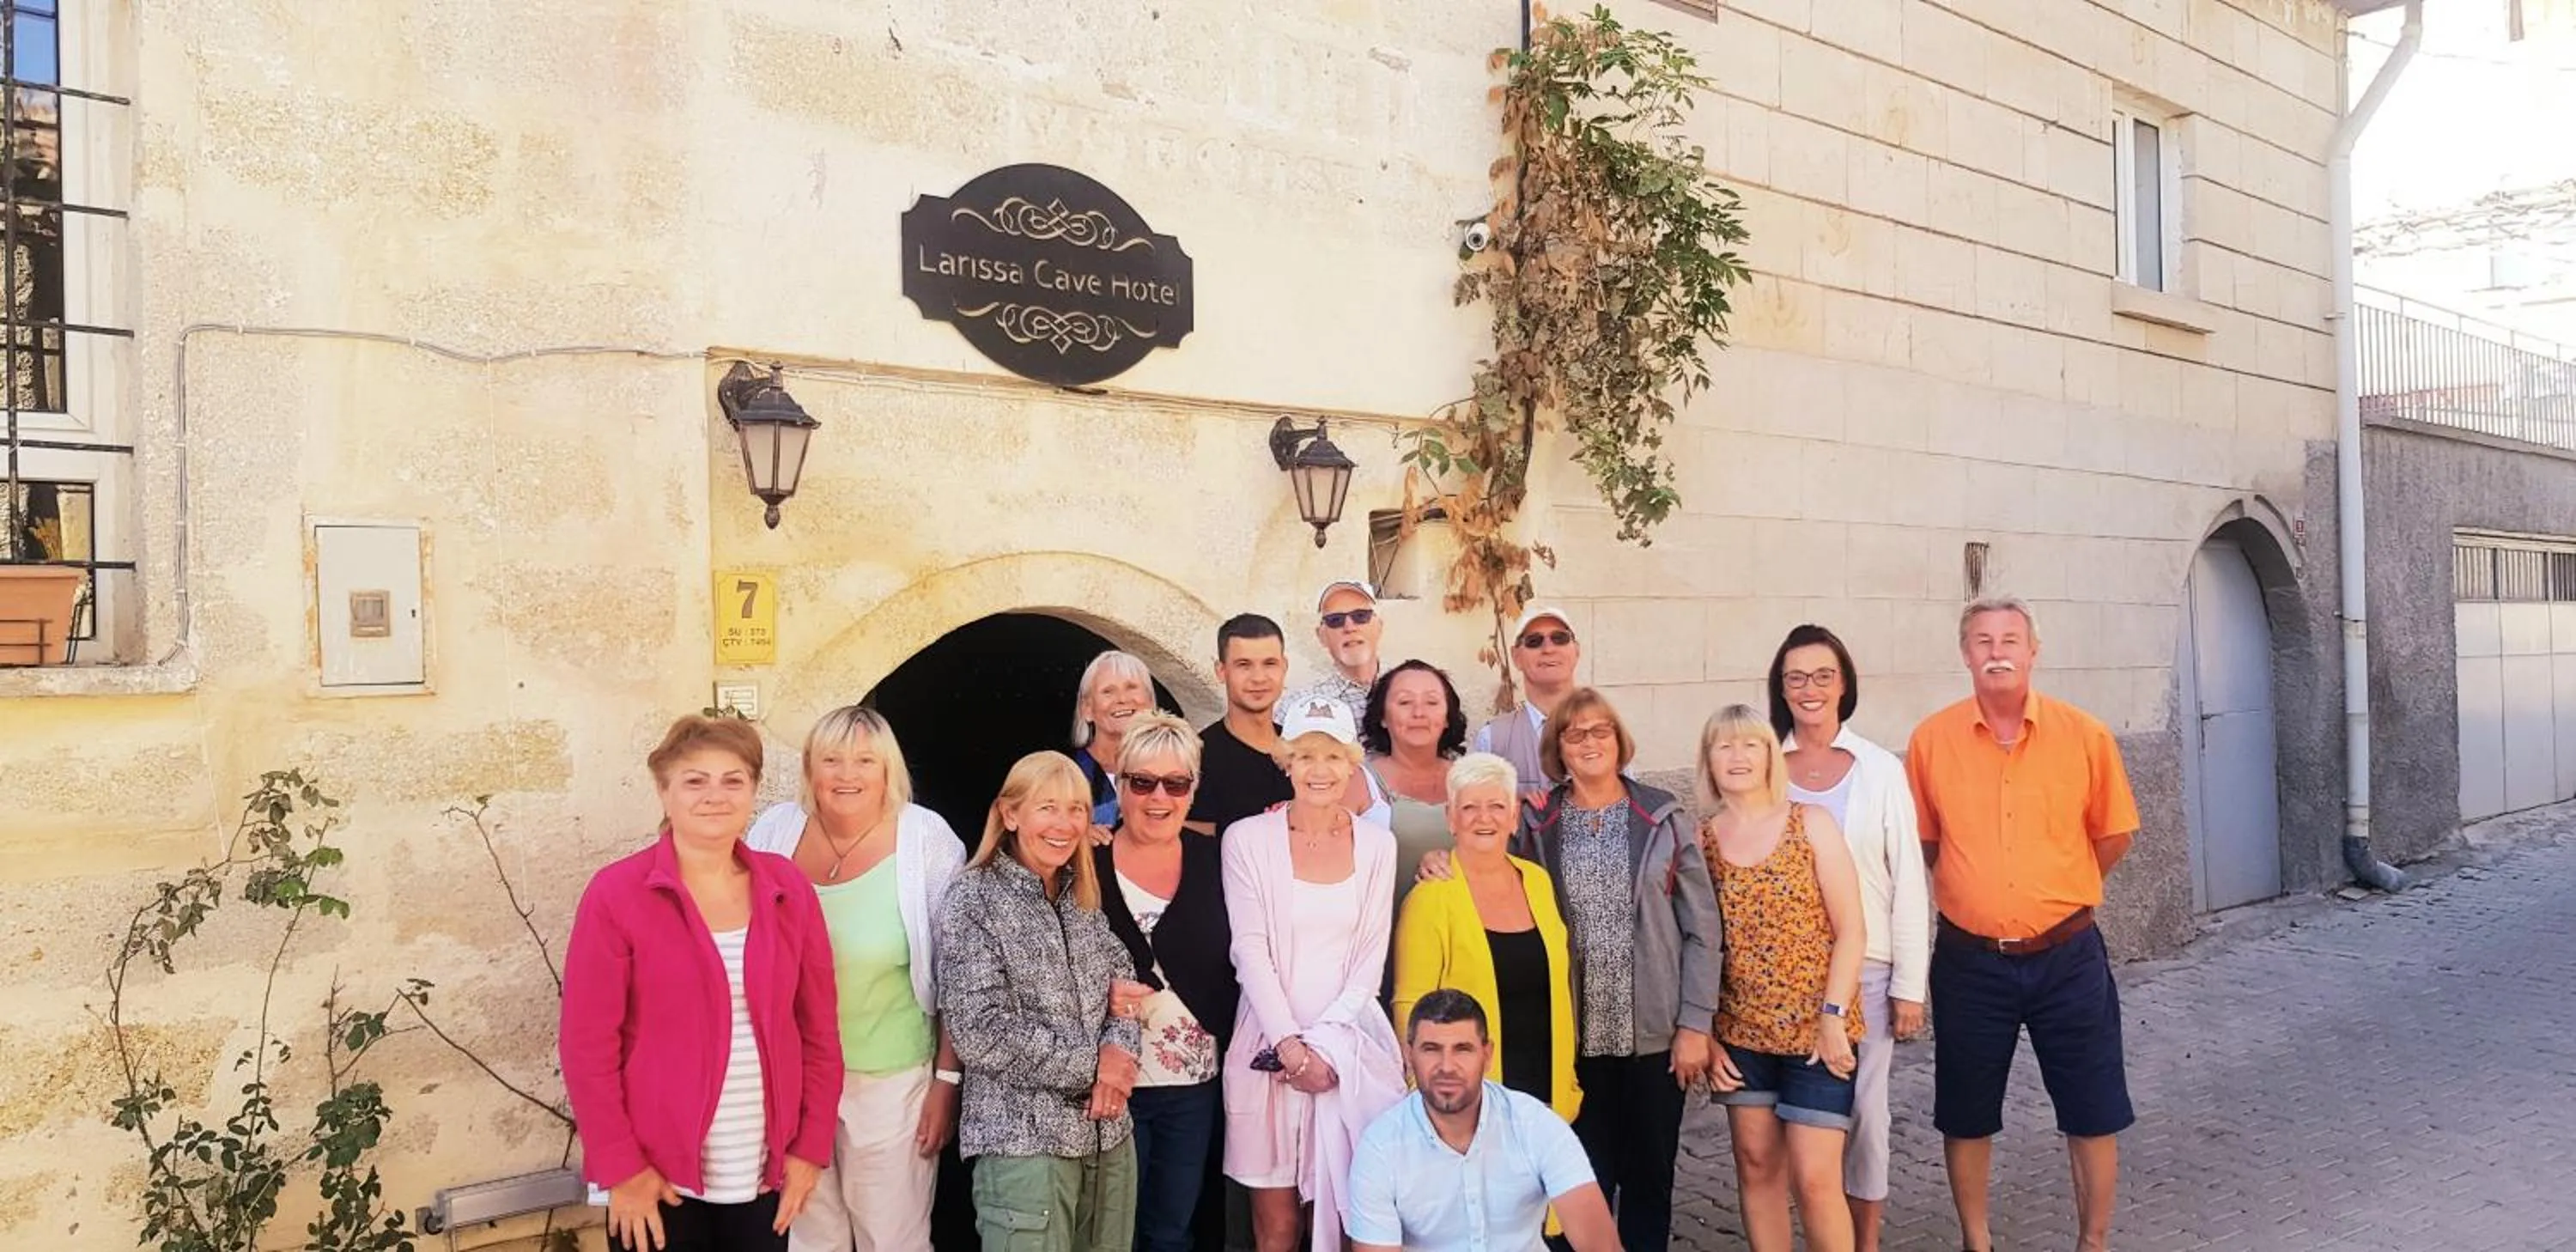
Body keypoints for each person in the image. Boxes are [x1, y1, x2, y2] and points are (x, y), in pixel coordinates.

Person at [1436, 688, 1717, 1252]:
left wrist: (1696, 1024)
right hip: (1570, 1039)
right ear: (1557, 748)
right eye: (1574, 733)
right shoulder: (1538, 822)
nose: (1589, 743)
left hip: (1653, 1038)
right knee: (1573, 1180)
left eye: (1600, 731)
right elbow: (1485, 860)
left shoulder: (1662, 817)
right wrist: (1438, 860)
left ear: (1619, 741)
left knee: (1648, 1178)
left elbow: (1703, 928)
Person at [1908, 597, 2141, 1252]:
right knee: (1965, 1111)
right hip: (1970, 961)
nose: (1996, 650)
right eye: (1982, 640)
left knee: (2093, 1108)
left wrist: (2058, 891)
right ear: (1965, 654)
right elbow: (1928, 843)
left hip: (2068, 957)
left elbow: (2113, 835)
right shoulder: (1932, 741)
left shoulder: (2084, 735)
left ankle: (2092, 1242)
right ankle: (1975, 1242)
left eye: (2010, 638)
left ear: (2035, 650)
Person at [562, 714, 841, 1252]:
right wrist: (622, 1168)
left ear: (753, 791)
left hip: (763, 1172)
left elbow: (820, 1034)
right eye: (695, 780)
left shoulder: (787, 889)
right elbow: (587, 1046)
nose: (716, 795)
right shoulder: (617, 894)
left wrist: (810, 1150)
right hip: (655, 1179)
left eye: (733, 780)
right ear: (664, 792)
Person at [743, 707, 966, 1252]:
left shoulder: (926, 840)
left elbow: (957, 972)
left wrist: (946, 1082)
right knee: (809, 1236)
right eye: (832, 760)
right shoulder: (775, 831)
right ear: (809, 770)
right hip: (793, 1079)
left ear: (888, 770)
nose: (847, 775)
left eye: (865, 760)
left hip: (891, 1079)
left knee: (891, 1237)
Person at [936, 751, 1155, 1252]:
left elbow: (1122, 981)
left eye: (1077, 809)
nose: (1065, 824)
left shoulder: (1082, 893)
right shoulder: (974, 898)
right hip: (1023, 1148)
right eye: (1047, 808)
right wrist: (1094, 1068)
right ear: (1010, 815)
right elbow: (981, 1030)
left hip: (1106, 1138)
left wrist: (1119, 1055)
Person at [1766, 624, 1931, 1252]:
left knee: (1864, 1118)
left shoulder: (1878, 769)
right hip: (1780, 976)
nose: (1810, 690)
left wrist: (1909, 986)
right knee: (1795, 1122)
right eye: (1796, 678)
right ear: (1781, 689)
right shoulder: (1765, 766)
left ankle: (1863, 1243)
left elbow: (1907, 880)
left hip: (1865, 971)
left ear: (1844, 684)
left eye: (1823, 676)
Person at [1222, 697, 1406, 1252]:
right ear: (1287, 763)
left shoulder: (1378, 845)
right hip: (1267, 1050)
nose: (1319, 770)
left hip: (1348, 1053)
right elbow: (1249, 951)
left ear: (1351, 763)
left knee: (1360, 1222)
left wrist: (1322, 1050)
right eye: (1305, 756)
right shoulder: (1246, 839)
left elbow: (1370, 958)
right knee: (1276, 1227)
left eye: (1332, 756)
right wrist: (1291, 1048)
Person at [1698, 704, 1867, 1252]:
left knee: (1816, 1179)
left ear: (1772, 755)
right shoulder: (1701, 842)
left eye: (1751, 744)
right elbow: (1696, 945)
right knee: (1756, 1169)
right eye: (1724, 746)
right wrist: (1705, 1033)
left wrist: (1833, 1018)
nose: (1738, 757)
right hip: (1741, 1036)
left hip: (1818, 1035)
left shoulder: (1810, 823)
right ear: (1708, 761)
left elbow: (1852, 931)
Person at [1093, 713, 1238, 1252]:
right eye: (1142, 782)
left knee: (1171, 1231)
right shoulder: (1086, 862)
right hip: (1107, 1082)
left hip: (1191, 1086)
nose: (1159, 797)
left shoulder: (1220, 860)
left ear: (1193, 790)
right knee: (1109, 1230)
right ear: (1120, 784)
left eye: (1176, 783)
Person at [1346, 991, 1621, 1252]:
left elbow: (1601, 1246)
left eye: (1462, 1049)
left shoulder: (1535, 1124)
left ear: (1487, 1055)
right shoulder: (1380, 1147)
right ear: (1409, 1055)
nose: (1446, 1066)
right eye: (1431, 1049)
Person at [1392, 752, 1578, 1122]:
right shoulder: (1430, 897)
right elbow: (1410, 1004)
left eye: (1497, 806)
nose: (1484, 818)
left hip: (1547, 1098)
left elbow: (1560, 984)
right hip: (1465, 1106)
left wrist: (1568, 1079)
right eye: (1470, 807)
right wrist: (1426, 1096)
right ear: (1451, 818)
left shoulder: (1537, 882)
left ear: (1513, 817)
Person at [1358, 658, 1470, 899]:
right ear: (1383, 717)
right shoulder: (1359, 781)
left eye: (1431, 702)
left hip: (1464, 929)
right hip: (1387, 931)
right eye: (1405, 702)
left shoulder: (1472, 779)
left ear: (1448, 717)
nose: (1419, 713)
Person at [1188, 613, 1295, 837]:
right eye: (1244, 665)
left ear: (1284, 667)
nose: (1258, 678)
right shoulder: (1196, 756)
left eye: (1269, 664)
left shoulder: (1304, 748)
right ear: (1221, 671)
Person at [1472, 605, 1584, 788]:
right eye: (1534, 641)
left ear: (1576, 650)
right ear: (1516, 656)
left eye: (1560, 638)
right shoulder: (1493, 740)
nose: (1548, 649)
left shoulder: (1605, 731)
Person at [1275, 580, 1383, 729]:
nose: (1349, 627)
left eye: (1360, 616)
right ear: (1321, 636)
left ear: (1379, 626)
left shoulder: (1411, 689)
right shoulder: (1297, 705)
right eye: (1335, 620)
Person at [1072, 650, 1156, 828]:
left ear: (1149, 701)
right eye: (1108, 691)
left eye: (1131, 687)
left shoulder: (1175, 769)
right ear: (1087, 709)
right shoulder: (1067, 774)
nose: (1122, 699)